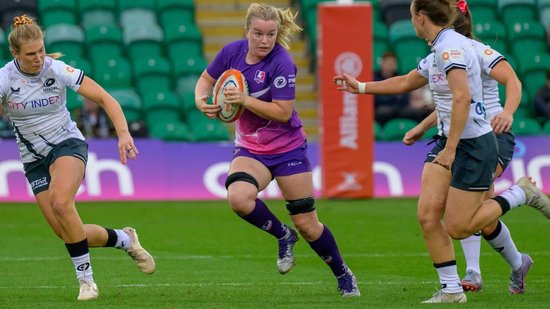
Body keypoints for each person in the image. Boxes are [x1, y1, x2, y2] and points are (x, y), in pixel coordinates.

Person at [333, 0, 550, 303]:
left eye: (411, 16)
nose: (410, 21)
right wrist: (362, 87)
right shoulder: (439, 50)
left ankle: (520, 195)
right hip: (448, 139)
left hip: (475, 144)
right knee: (427, 215)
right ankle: (452, 289)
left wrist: (453, 147)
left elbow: (463, 98)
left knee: (460, 225)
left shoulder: (456, 50)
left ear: (421, 18)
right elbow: (410, 81)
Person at [195, 3, 359, 297]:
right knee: (238, 199)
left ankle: (343, 274)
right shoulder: (231, 52)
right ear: (247, 31)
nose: (264, 40)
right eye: (258, 33)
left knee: (308, 224)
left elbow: (283, 112)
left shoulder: (282, 63)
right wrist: (201, 100)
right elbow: (206, 80)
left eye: (270, 34)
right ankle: (283, 235)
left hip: (288, 150)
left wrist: (243, 100)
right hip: (251, 149)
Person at [0, 15, 156, 301]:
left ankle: (86, 281)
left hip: (67, 144)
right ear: (15, 54)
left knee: (62, 202)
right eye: (31, 54)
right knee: (66, 231)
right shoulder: (5, 78)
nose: (38, 58)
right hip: (33, 159)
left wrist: (123, 133)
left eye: (42, 51)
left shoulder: (57, 69)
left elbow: (105, 98)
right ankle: (124, 239)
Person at [405, 0, 523, 293]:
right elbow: (450, 103)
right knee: (462, 210)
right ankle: (512, 265)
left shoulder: (473, 49)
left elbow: (510, 80)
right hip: (458, 134)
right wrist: (422, 127)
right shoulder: (441, 53)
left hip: (491, 134)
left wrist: (507, 112)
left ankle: (477, 269)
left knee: (473, 210)